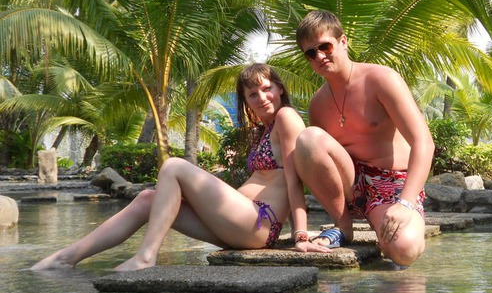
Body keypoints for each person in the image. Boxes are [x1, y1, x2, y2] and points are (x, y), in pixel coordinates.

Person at [31, 63, 313, 271]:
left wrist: (300, 235)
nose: (261, 98)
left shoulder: (287, 117)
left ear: (280, 88)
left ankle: (146, 256)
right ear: (246, 101)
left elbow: (294, 181)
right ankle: (66, 257)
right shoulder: (266, 128)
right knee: (147, 199)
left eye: (266, 89)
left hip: (258, 225)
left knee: (174, 166)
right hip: (238, 225)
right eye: (252, 94)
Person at [293, 10, 435, 266]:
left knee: (404, 249)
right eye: (311, 53)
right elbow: (320, 163)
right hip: (352, 186)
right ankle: (342, 226)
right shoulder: (318, 104)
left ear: (343, 41)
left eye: (325, 46)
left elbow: (423, 142)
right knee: (308, 138)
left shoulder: (381, 79)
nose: (320, 56)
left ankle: (384, 220)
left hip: (391, 185)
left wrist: (406, 202)